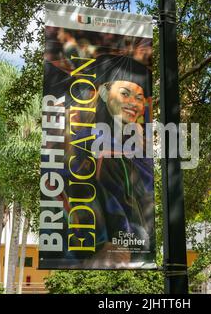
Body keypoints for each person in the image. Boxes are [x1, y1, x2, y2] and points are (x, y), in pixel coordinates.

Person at [65, 54, 155, 269]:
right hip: (105, 248)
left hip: (138, 249)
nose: (133, 103)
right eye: (125, 94)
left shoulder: (138, 146)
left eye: (140, 97)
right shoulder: (83, 140)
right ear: (105, 92)